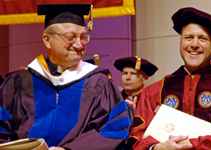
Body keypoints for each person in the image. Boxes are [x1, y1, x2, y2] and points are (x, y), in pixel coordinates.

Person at [0, 3, 131, 150]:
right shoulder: (18, 83)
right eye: (71, 37)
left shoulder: (99, 83)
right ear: (47, 40)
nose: (79, 44)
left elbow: (115, 128)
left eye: (84, 37)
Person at [130, 7, 211, 150]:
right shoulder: (155, 91)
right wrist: (156, 148)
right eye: (188, 37)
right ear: (180, 42)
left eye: (202, 38)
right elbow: (135, 137)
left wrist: (192, 144)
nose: (194, 44)